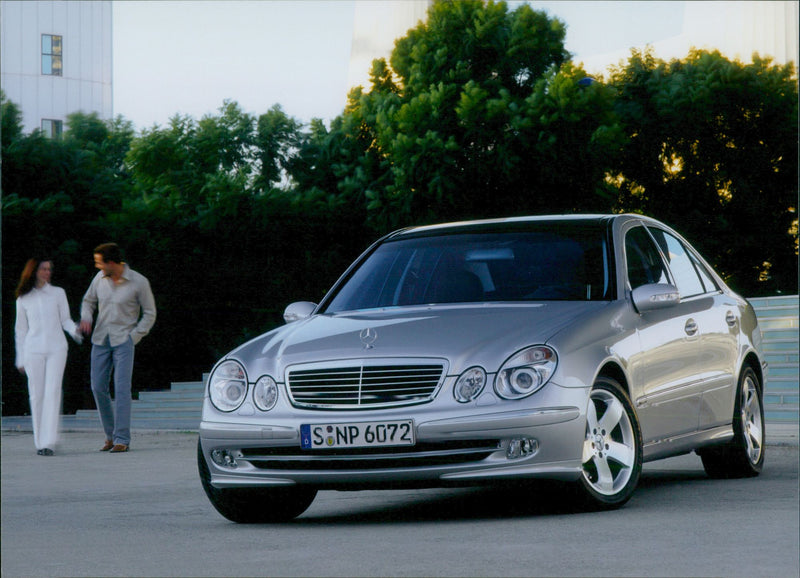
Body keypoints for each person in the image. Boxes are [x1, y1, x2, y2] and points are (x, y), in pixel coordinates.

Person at [80, 243, 156, 453]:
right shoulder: (99, 279)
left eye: (99, 262)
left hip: (124, 340)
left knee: (122, 388)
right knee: (97, 386)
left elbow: (150, 313)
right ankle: (110, 435)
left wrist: (134, 336)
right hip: (100, 339)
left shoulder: (139, 282)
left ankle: (122, 439)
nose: (97, 266)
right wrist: (86, 317)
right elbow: (88, 302)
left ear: (111, 262)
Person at [15, 258, 83, 456]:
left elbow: (65, 320)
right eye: (43, 269)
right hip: (33, 350)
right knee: (37, 394)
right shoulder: (23, 298)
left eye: (49, 269)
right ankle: (40, 442)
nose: (47, 272)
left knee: (53, 392)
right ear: (34, 271)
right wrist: (20, 359)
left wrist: (75, 331)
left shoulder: (58, 293)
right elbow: (20, 330)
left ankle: (49, 442)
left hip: (57, 348)